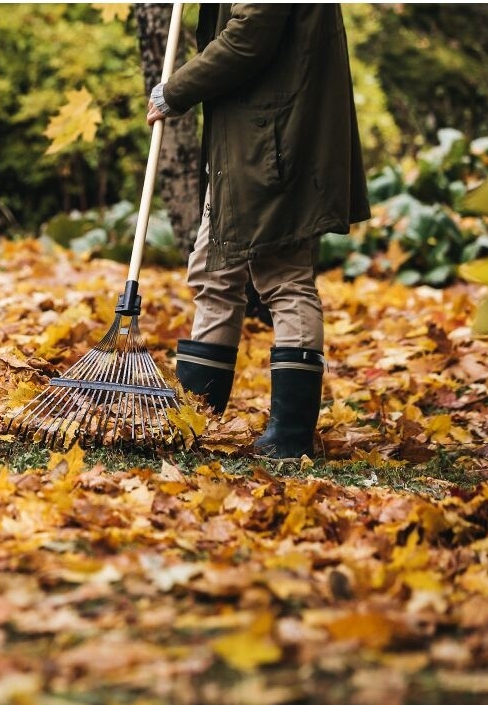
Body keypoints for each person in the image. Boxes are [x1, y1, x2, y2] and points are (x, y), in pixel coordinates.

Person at [147, 4, 370, 459]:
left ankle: (289, 438)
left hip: (273, 141)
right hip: (247, 139)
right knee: (213, 275)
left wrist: (176, 90)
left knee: (283, 277)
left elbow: (250, 35)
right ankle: (195, 421)